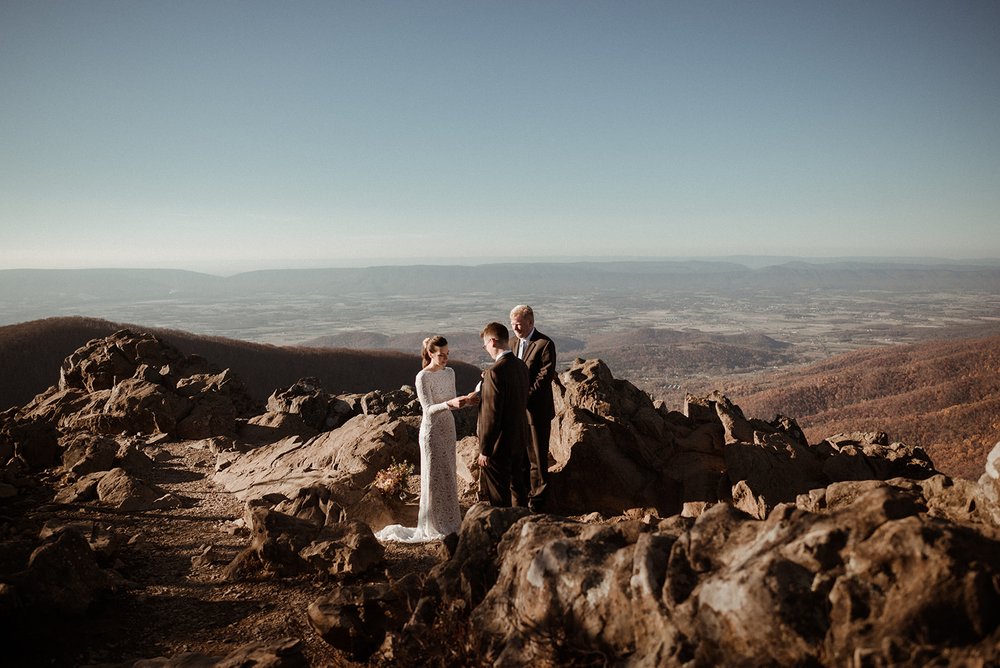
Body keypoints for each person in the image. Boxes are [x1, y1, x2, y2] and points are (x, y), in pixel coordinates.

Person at [375, 336, 466, 543]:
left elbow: (450, 398)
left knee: (449, 474)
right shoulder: (422, 377)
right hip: (432, 430)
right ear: (430, 354)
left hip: (448, 428)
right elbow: (429, 409)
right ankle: (434, 524)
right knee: (435, 477)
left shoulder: (450, 373)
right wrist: (450, 404)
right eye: (441, 355)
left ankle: (451, 522)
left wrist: (467, 401)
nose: (445, 359)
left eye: (447, 354)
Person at [474, 322, 531, 507]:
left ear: (492, 342)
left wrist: (485, 449)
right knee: (519, 490)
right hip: (520, 437)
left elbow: (491, 415)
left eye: (485, 346)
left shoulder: (494, 372)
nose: (486, 350)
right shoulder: (521, 366)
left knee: (499, 495)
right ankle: (522, 526)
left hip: (499, 444)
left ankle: (504, 531)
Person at [509, 304, 557, 512]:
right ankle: (522, 499)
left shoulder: (544, 344)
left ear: (530, 322)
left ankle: (538, 504)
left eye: (519, 324)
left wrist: (522, 400)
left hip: (536, 412)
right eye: (513, 325)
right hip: (516, 414)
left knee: (537, 458)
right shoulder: (512, 343)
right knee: (519, 457)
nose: (515, 329)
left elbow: (543, 379)